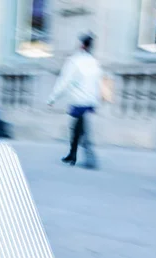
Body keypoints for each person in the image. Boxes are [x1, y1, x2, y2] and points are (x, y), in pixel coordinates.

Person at [48, 33, 102, 169]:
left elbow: (64, 81)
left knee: (80, 128)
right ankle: (72, 155)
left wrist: (52, 97)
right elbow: (97, 82)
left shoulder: (74, 60)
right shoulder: (93, 61)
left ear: (81, 45)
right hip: (90, 99)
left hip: (79, 100)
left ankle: (89, 157)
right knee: (77, 127)